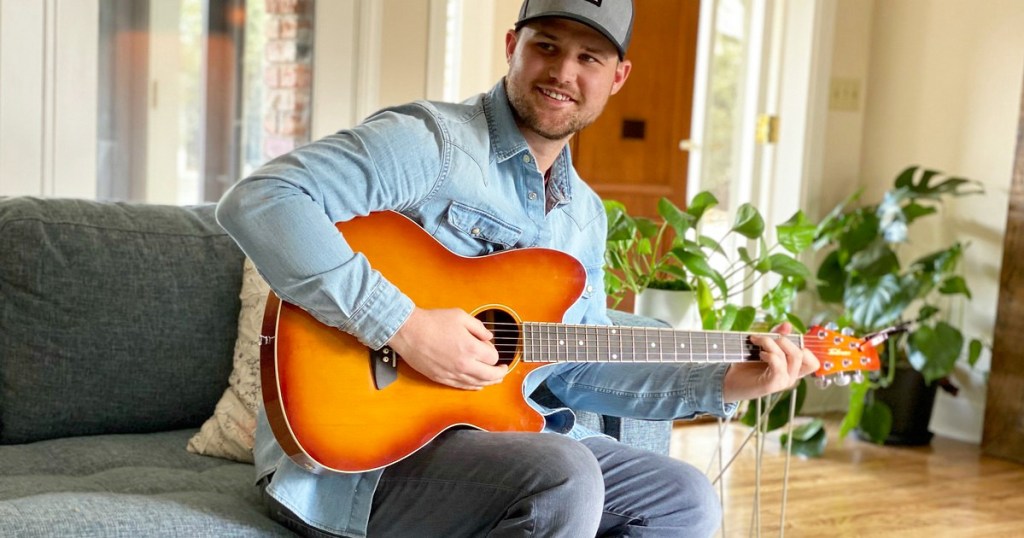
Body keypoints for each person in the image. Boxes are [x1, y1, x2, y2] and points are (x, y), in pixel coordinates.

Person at [217, 0, 820, 536]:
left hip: (501, 446)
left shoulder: (584, 217)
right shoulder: (431, 143)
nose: (563, 73)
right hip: (358, 460)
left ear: (618, 78)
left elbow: (577, 366)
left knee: (683, 499)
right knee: (564, 472)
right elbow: (263, 199)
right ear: (513, 47)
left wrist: (725, 383)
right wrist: (403, 325)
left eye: (590, 58)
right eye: (547, 47)